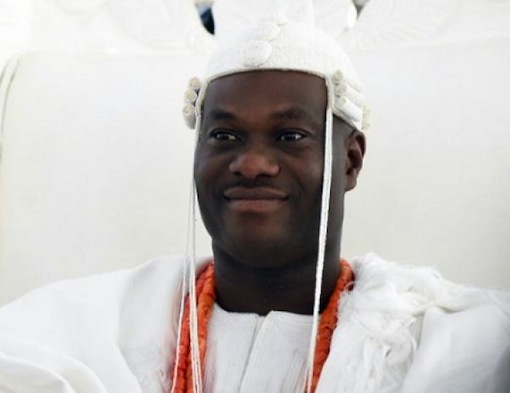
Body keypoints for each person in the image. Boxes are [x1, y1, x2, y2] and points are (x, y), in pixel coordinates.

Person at [0, 15, 509, 393]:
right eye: (224, 134)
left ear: (349, 161)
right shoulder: (80, 330)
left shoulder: (454, 341)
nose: (251, 163)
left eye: (290, 135)